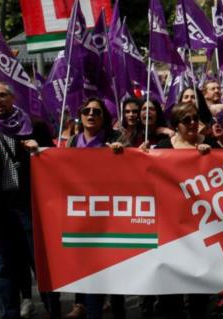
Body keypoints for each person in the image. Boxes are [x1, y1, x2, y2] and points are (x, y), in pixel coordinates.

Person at [0, 82, 61, 319]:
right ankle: (9, 313)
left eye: (2, 96)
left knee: (40, 263)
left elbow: (55, 162)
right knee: (3, 268)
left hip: (30, 206)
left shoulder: (35, 126)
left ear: (13, 98)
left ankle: (53, 309)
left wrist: (39, 152)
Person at [150, 103, 214, 317]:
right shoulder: (163, 147)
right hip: (170, 228)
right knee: (170, 289)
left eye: (195, 118)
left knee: (199, 289)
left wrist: (210, 156)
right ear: (176, 124)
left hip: (201, 227)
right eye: (187, 120)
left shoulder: (209, 144)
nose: (193, 123)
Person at [66, 98, 125, 319]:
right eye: (86, 110)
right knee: (91, 275)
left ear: (104, 117)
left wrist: (123, 155)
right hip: (83, 218)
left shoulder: (116, 139)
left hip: (111, 218)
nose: (91, 114)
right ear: (80, 115)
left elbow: (132, 171)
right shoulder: (72, 141)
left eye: (97, 112)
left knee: (116, 278)